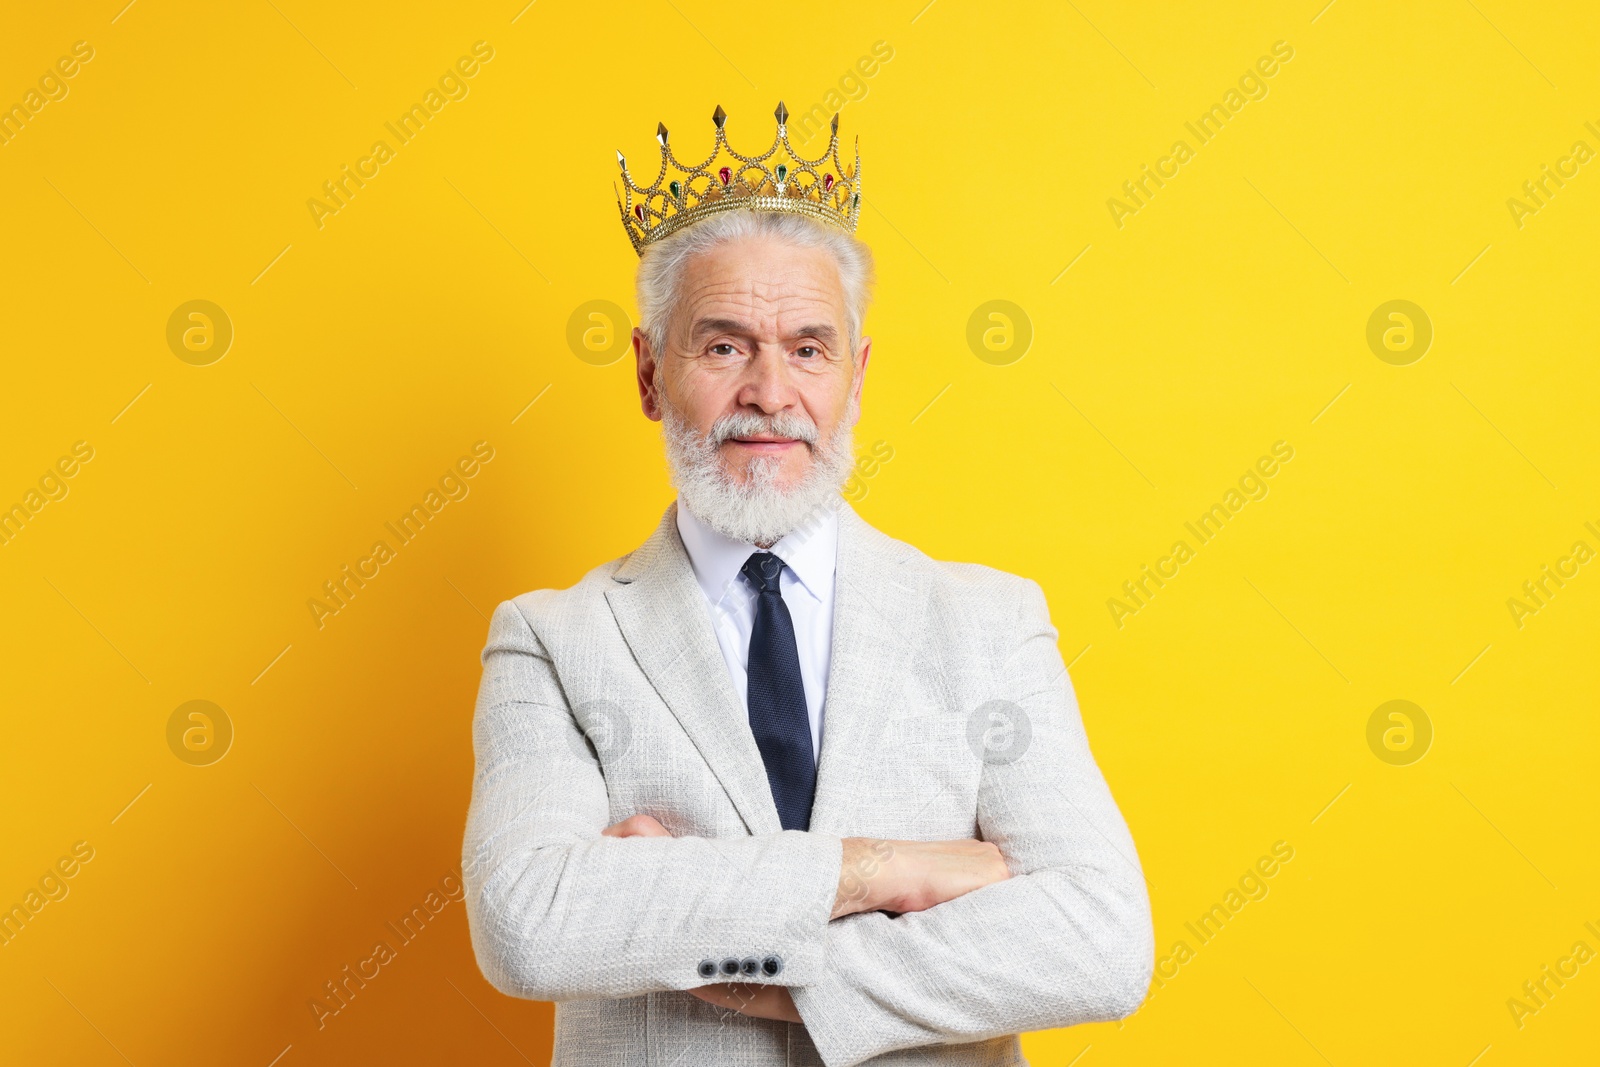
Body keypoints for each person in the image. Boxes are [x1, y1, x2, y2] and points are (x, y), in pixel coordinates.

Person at [462, 103, 1152, 1067]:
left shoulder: (990, 622)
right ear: (650, 373)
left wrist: (762, 978)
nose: (771, 393)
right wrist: (887, 869)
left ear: (856, 378)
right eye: (724, 345)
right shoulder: (551, 639)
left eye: (810, 349)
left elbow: (1101, 940)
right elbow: (528, 922)